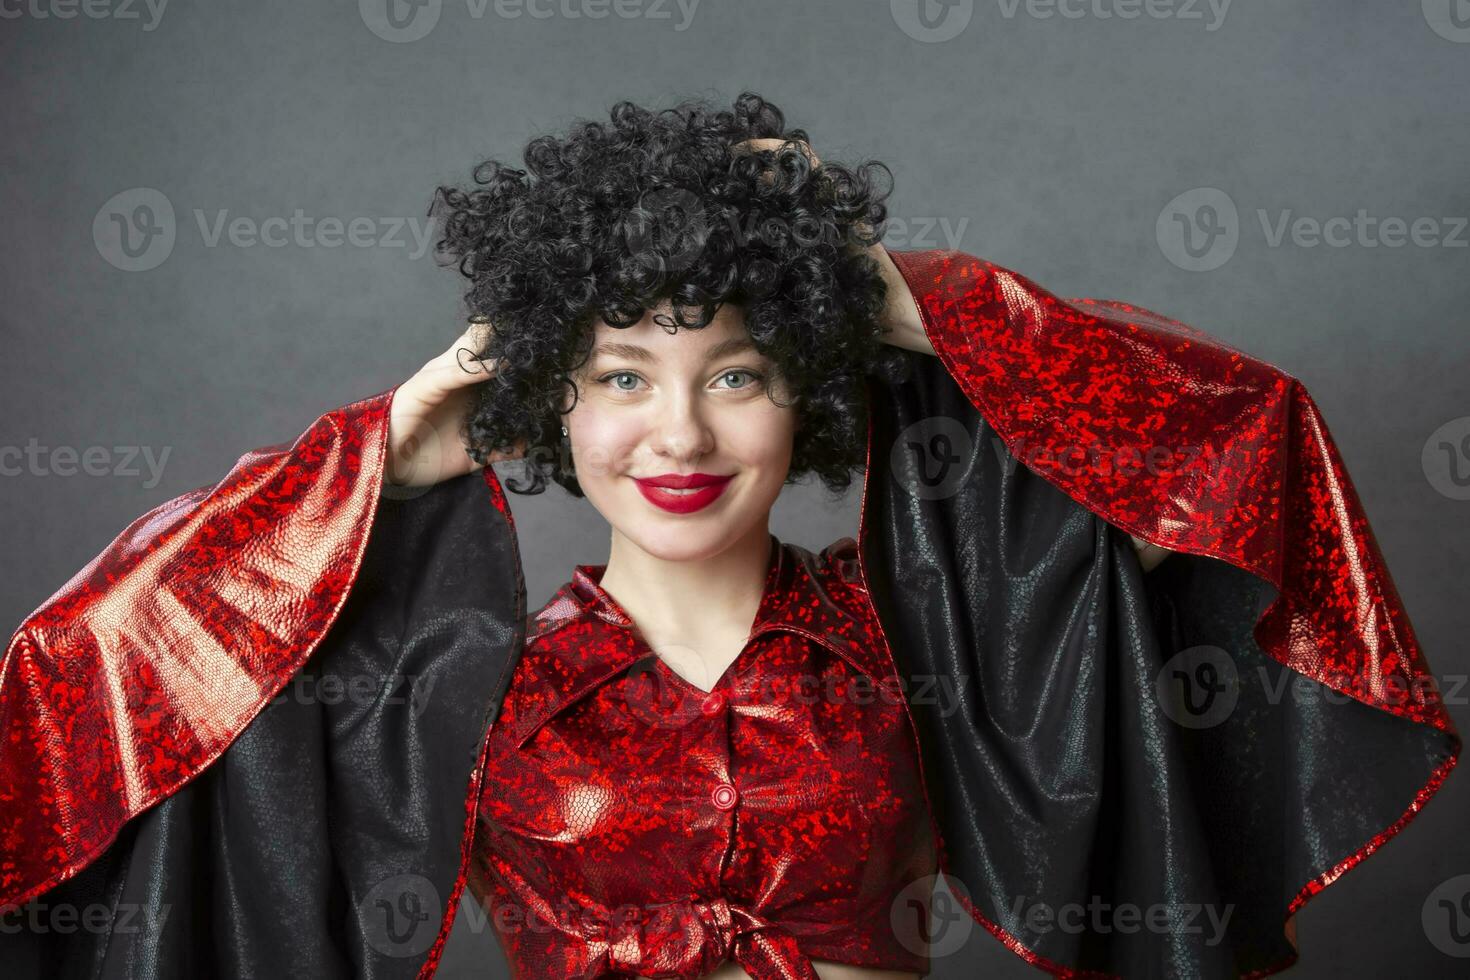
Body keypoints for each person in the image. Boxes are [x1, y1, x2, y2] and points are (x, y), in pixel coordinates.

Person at [0, 93, 1459, 980]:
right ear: (548, 408)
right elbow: (79, 671)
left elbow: (1241, 440)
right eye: (622, 376)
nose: (681, 435)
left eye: (737, 373)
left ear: (803, 391)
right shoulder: (467, 686)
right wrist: (370, 451)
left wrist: (912, 296)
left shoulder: (937, 643)